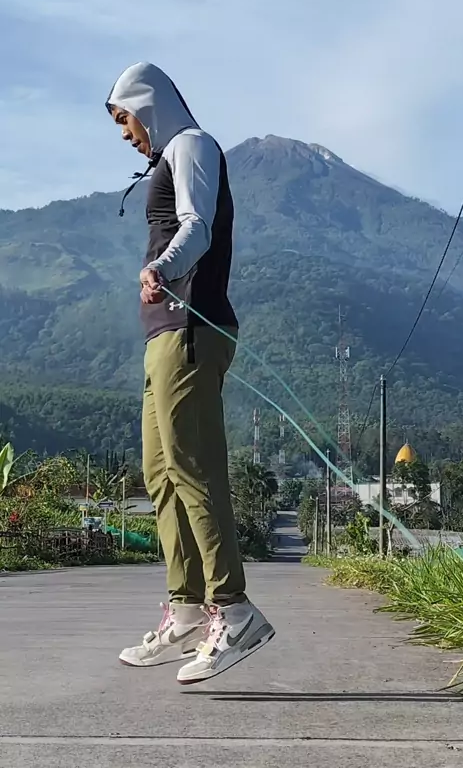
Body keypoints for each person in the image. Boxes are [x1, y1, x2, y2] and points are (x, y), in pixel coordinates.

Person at [105, 62, 274, 684]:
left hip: (192, 328)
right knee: (161, 474)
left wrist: (164, 267)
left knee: (192, 467)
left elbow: (197, 227)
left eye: (124, 118)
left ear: (145, 104)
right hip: (164, 334)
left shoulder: (192, 145)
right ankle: (185, 609)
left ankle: (234, 609)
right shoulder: (166, 156)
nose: (125, 133)